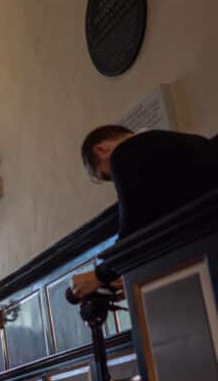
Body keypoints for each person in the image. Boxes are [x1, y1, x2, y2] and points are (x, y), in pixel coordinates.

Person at [71, 125, 218, 298]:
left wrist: (98, 275)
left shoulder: (126, 152)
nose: (114, 179)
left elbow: (133, 232)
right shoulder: (185, 143)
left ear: (101, 150)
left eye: (107, 176)